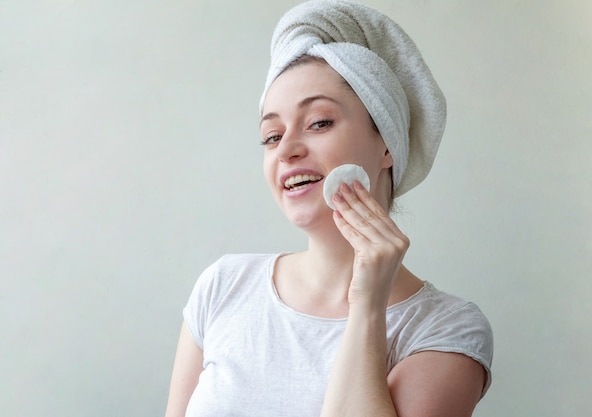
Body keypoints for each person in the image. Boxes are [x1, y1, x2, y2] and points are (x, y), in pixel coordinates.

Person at [164, 1, 493, 416]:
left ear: (387, 142)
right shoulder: (223, 287)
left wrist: (368, 303)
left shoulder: (445, 328)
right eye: (271, 135)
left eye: (319, 122)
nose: (286, 150)